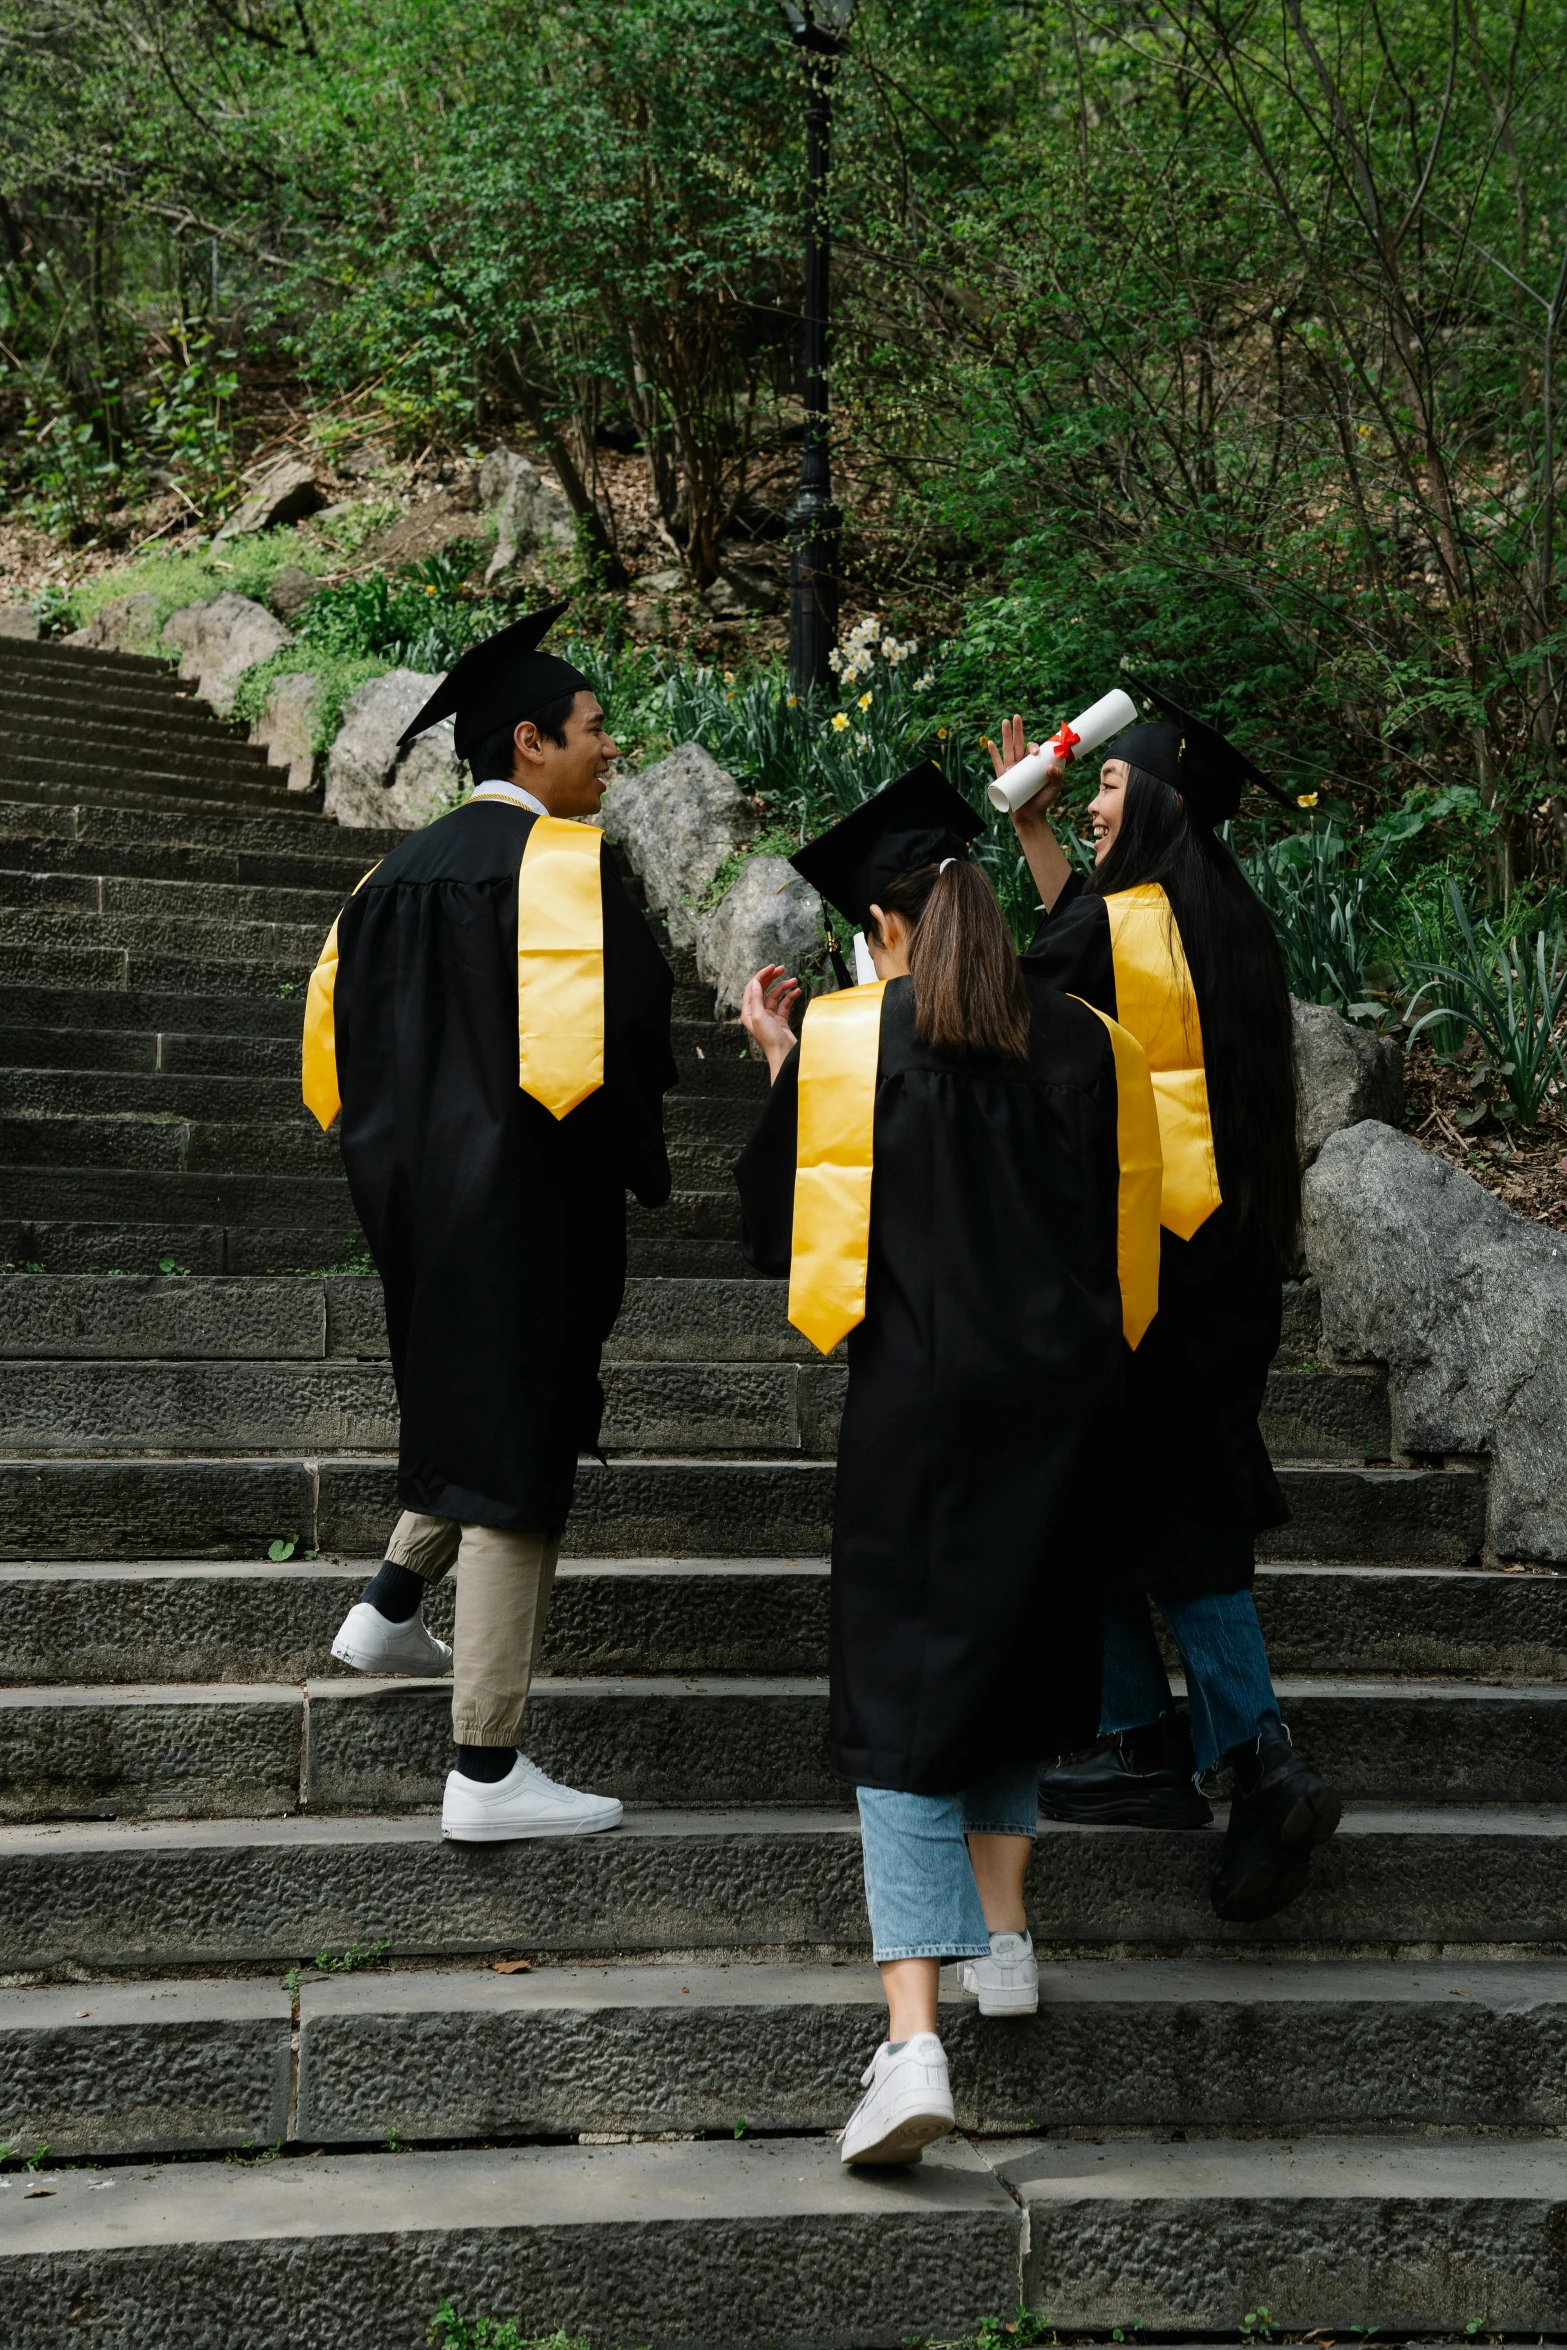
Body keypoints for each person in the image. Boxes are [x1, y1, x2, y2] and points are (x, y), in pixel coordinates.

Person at [734, 761, 1162, 2167]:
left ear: (878, 920)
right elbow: (1131, 1235)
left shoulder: (859, 1040)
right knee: (1011, 1673)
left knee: (906, 1704)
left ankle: (911, 2040)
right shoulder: (1085, 1039)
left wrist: (783, 1069)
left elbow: (774, 1229)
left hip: (919, 1416)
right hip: (1061, 1416)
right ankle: (1009, 1938)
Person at [303, 602, 676, 1842]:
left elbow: (328, 1067)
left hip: (413, 1203)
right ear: (528, 742)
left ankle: (389, 1607)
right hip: (526, 1204)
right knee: (518, 1458)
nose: (607, 747)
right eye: (591, 727)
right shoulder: (563, 868)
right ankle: (485, 1766)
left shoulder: (384, 877)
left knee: (470, 1398)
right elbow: (617, 1055)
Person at [990, 681, 1342, 1923]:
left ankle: (1248, 1752)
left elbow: (1031, 1004)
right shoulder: (1225, 920)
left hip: (1140, 1273)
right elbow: (1100, 950)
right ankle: (1142, 1741)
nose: (1086, 802)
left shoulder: (1122, 922)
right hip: (1226, 1268)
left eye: (1105, 786)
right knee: (1130, 1498)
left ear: (1156, 808)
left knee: (1158, 1514)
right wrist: (1038, 830)